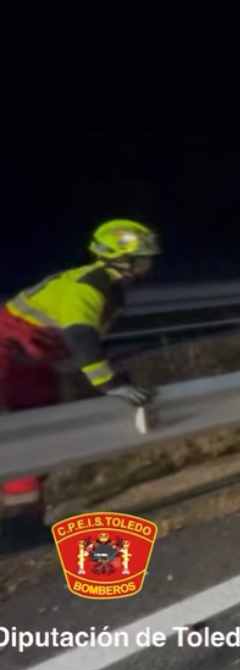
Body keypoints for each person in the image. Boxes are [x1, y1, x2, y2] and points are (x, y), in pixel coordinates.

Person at [0, 220, 160, 541]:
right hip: (9, 357)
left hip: (31, 362)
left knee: (36, 436)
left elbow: (86, 347)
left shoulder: (108, 291)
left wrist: (113, 375)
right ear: (119, 259)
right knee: (20, 435)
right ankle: (20, 527)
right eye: (141, 259)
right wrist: (110, 384)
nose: (148, 265)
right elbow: (80, 337)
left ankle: (23, 523)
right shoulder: (89, 286)